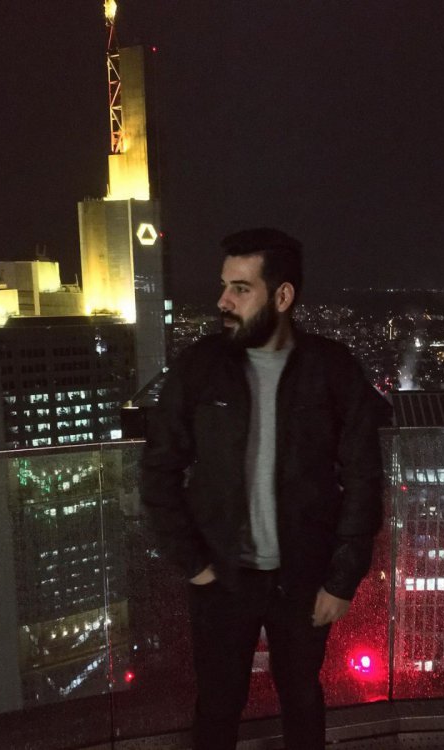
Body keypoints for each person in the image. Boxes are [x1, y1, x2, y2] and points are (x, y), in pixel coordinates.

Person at [141, 228, 382, 750]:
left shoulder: (332, 369)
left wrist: (341, 581)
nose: (222, 301)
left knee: (302, 697)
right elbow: (158, 470)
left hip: (305, 578)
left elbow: (364, 478)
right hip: (221, 579)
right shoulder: (200, 367)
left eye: (241, 288)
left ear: (283, 295)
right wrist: (195, 564)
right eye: (224, 285)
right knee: (217, 705)